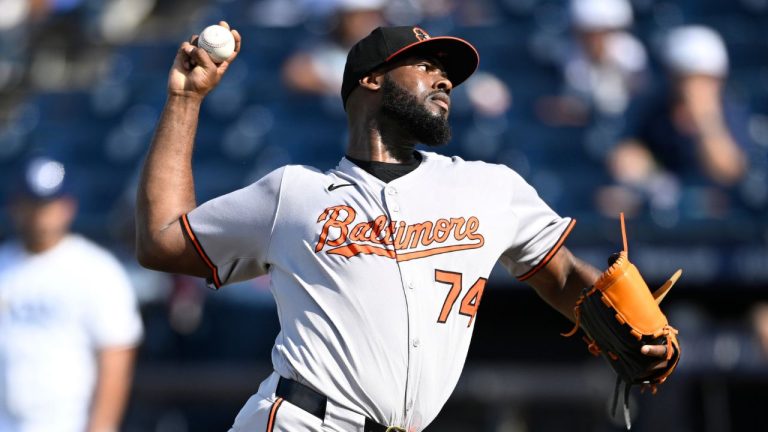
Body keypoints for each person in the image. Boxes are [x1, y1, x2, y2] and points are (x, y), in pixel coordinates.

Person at [135, 22, 671, 431]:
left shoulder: (490, 188)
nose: (444, 79)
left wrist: (636, 333)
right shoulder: (292, 194)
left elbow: (559, 274)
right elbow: (162, 241)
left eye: (449, 73)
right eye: (424, 64)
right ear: (370, 79)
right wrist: (185, 100)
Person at [0, 156, 144, 432]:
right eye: (31, 204)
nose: (39, 215)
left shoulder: (94, 269)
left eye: (47, 205)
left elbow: (115, 356)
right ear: (15, 206)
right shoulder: (4, 264)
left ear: (68, 207)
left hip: (65, 423)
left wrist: (101, 426)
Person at [600, 25, 749, 218]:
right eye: (685, 79)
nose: (692, 88)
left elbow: (728, 171)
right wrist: (654, 176)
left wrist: (706, 118)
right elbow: (625, 158)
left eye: (704, 79)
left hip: (721, 223)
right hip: (663, 216)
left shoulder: (730, 110)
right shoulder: (654, 108)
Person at [537, 0, 648, 126]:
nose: (595, 40)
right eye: (589, 33)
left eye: (603, 32)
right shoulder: (567, 55)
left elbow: (639, 97)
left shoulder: (630, 53)